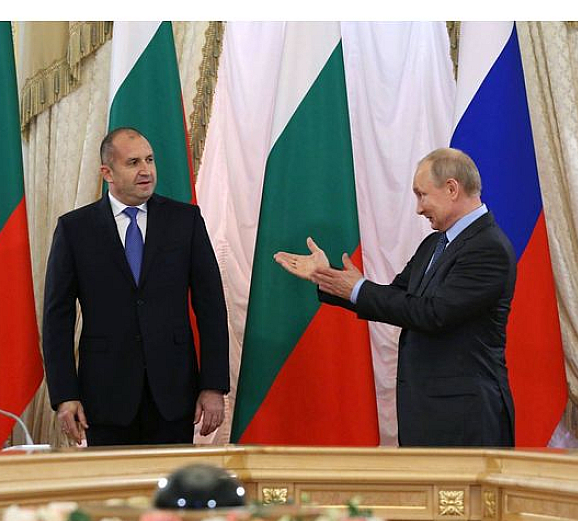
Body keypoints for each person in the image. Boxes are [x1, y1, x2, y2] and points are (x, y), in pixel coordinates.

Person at [274, 148, 516, 447]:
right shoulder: (434, 244)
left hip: (465, 418)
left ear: (452, 189)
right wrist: (328, 276)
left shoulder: (488, 247)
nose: (418, 208)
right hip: (427, 413)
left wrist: (357, 288)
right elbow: (398, 298)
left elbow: (434, 313)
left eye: (422, 195)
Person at [42, 127, 229, 446]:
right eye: (133, 162)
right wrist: (64, 395)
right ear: (107, 173)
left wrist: (213, 386)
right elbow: (56, 318)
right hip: (105, 395)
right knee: (112, 480)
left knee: (172, 479)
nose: (146, 170)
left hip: (173, 393)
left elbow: (211, 306)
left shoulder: (185, 221)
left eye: (149, 160)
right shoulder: (75, 229)